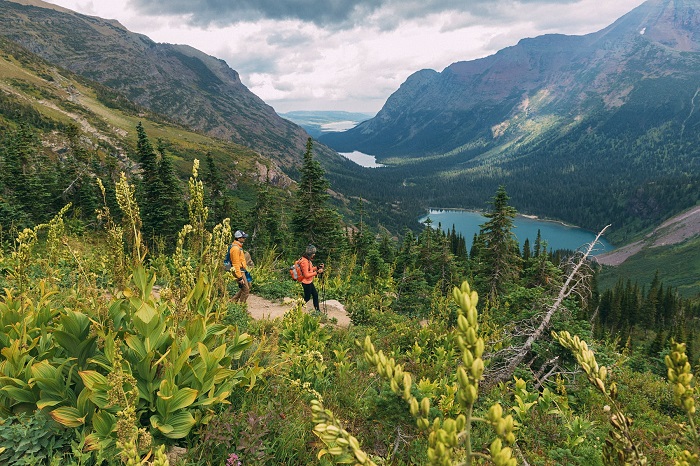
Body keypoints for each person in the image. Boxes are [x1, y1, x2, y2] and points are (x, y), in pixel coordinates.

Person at [300, 244, 324, 313]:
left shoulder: (307, 260)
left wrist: (317, 267)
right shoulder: (305, 261)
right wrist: (317, 272)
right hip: (306, 282)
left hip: (309, 282)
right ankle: (297, 307)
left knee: (315, 295)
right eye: (313, 253)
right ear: (311, 254)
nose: (314, 255)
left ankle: (317, 311)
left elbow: (310, 270)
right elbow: (306, 275)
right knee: (307, 298)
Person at [230, 230, 250, 303]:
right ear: (238, 238)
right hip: (239, 271)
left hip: (242, 270)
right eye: (243, 237)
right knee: (246, 290)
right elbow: (235, 264)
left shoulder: (238, 247)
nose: (244, 239)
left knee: (246, 287)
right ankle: (242, 308)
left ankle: (232, 302)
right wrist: (239, 277)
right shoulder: (235, 249)